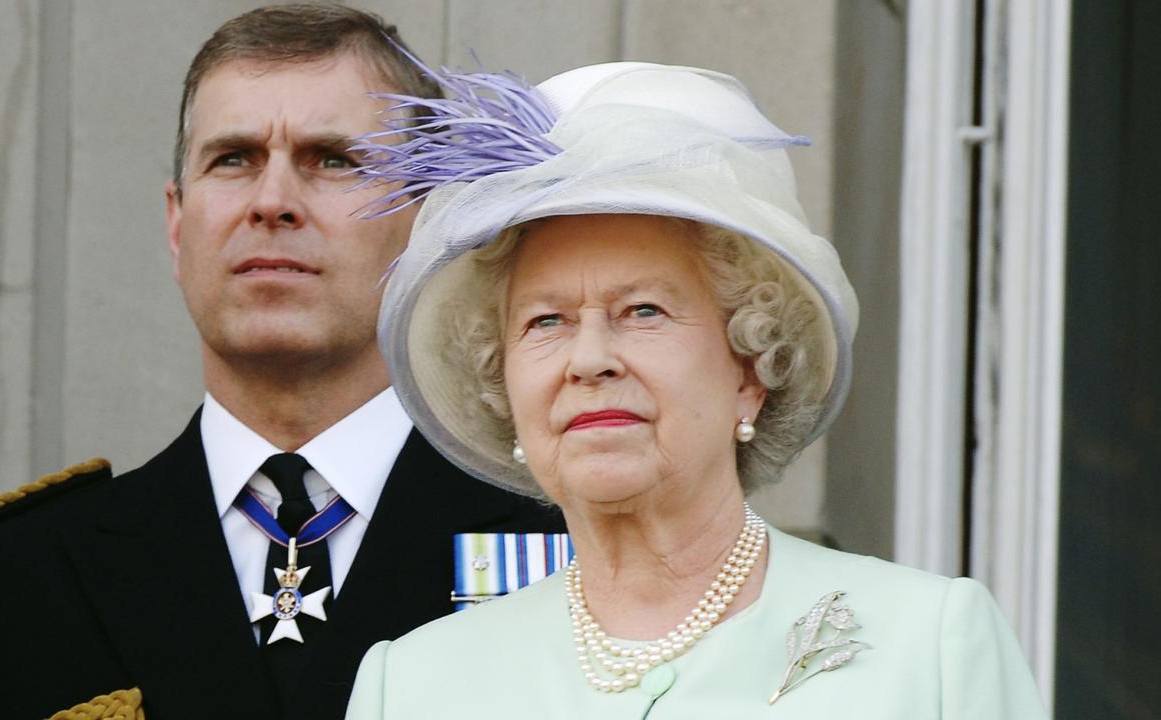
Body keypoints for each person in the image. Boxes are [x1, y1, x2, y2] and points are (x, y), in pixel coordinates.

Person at [0, 5, 560, 719]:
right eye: (233, 158)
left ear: (425, 222)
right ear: (177, 225)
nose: (272, 201)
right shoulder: (7, 586)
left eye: (333, 159)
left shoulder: (571, 547)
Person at [343, 62, 1048, 717]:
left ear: (752, 368)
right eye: (545, 320)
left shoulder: (930, 646)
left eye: (642, 311)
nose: (588, 360)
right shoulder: (411, 685)